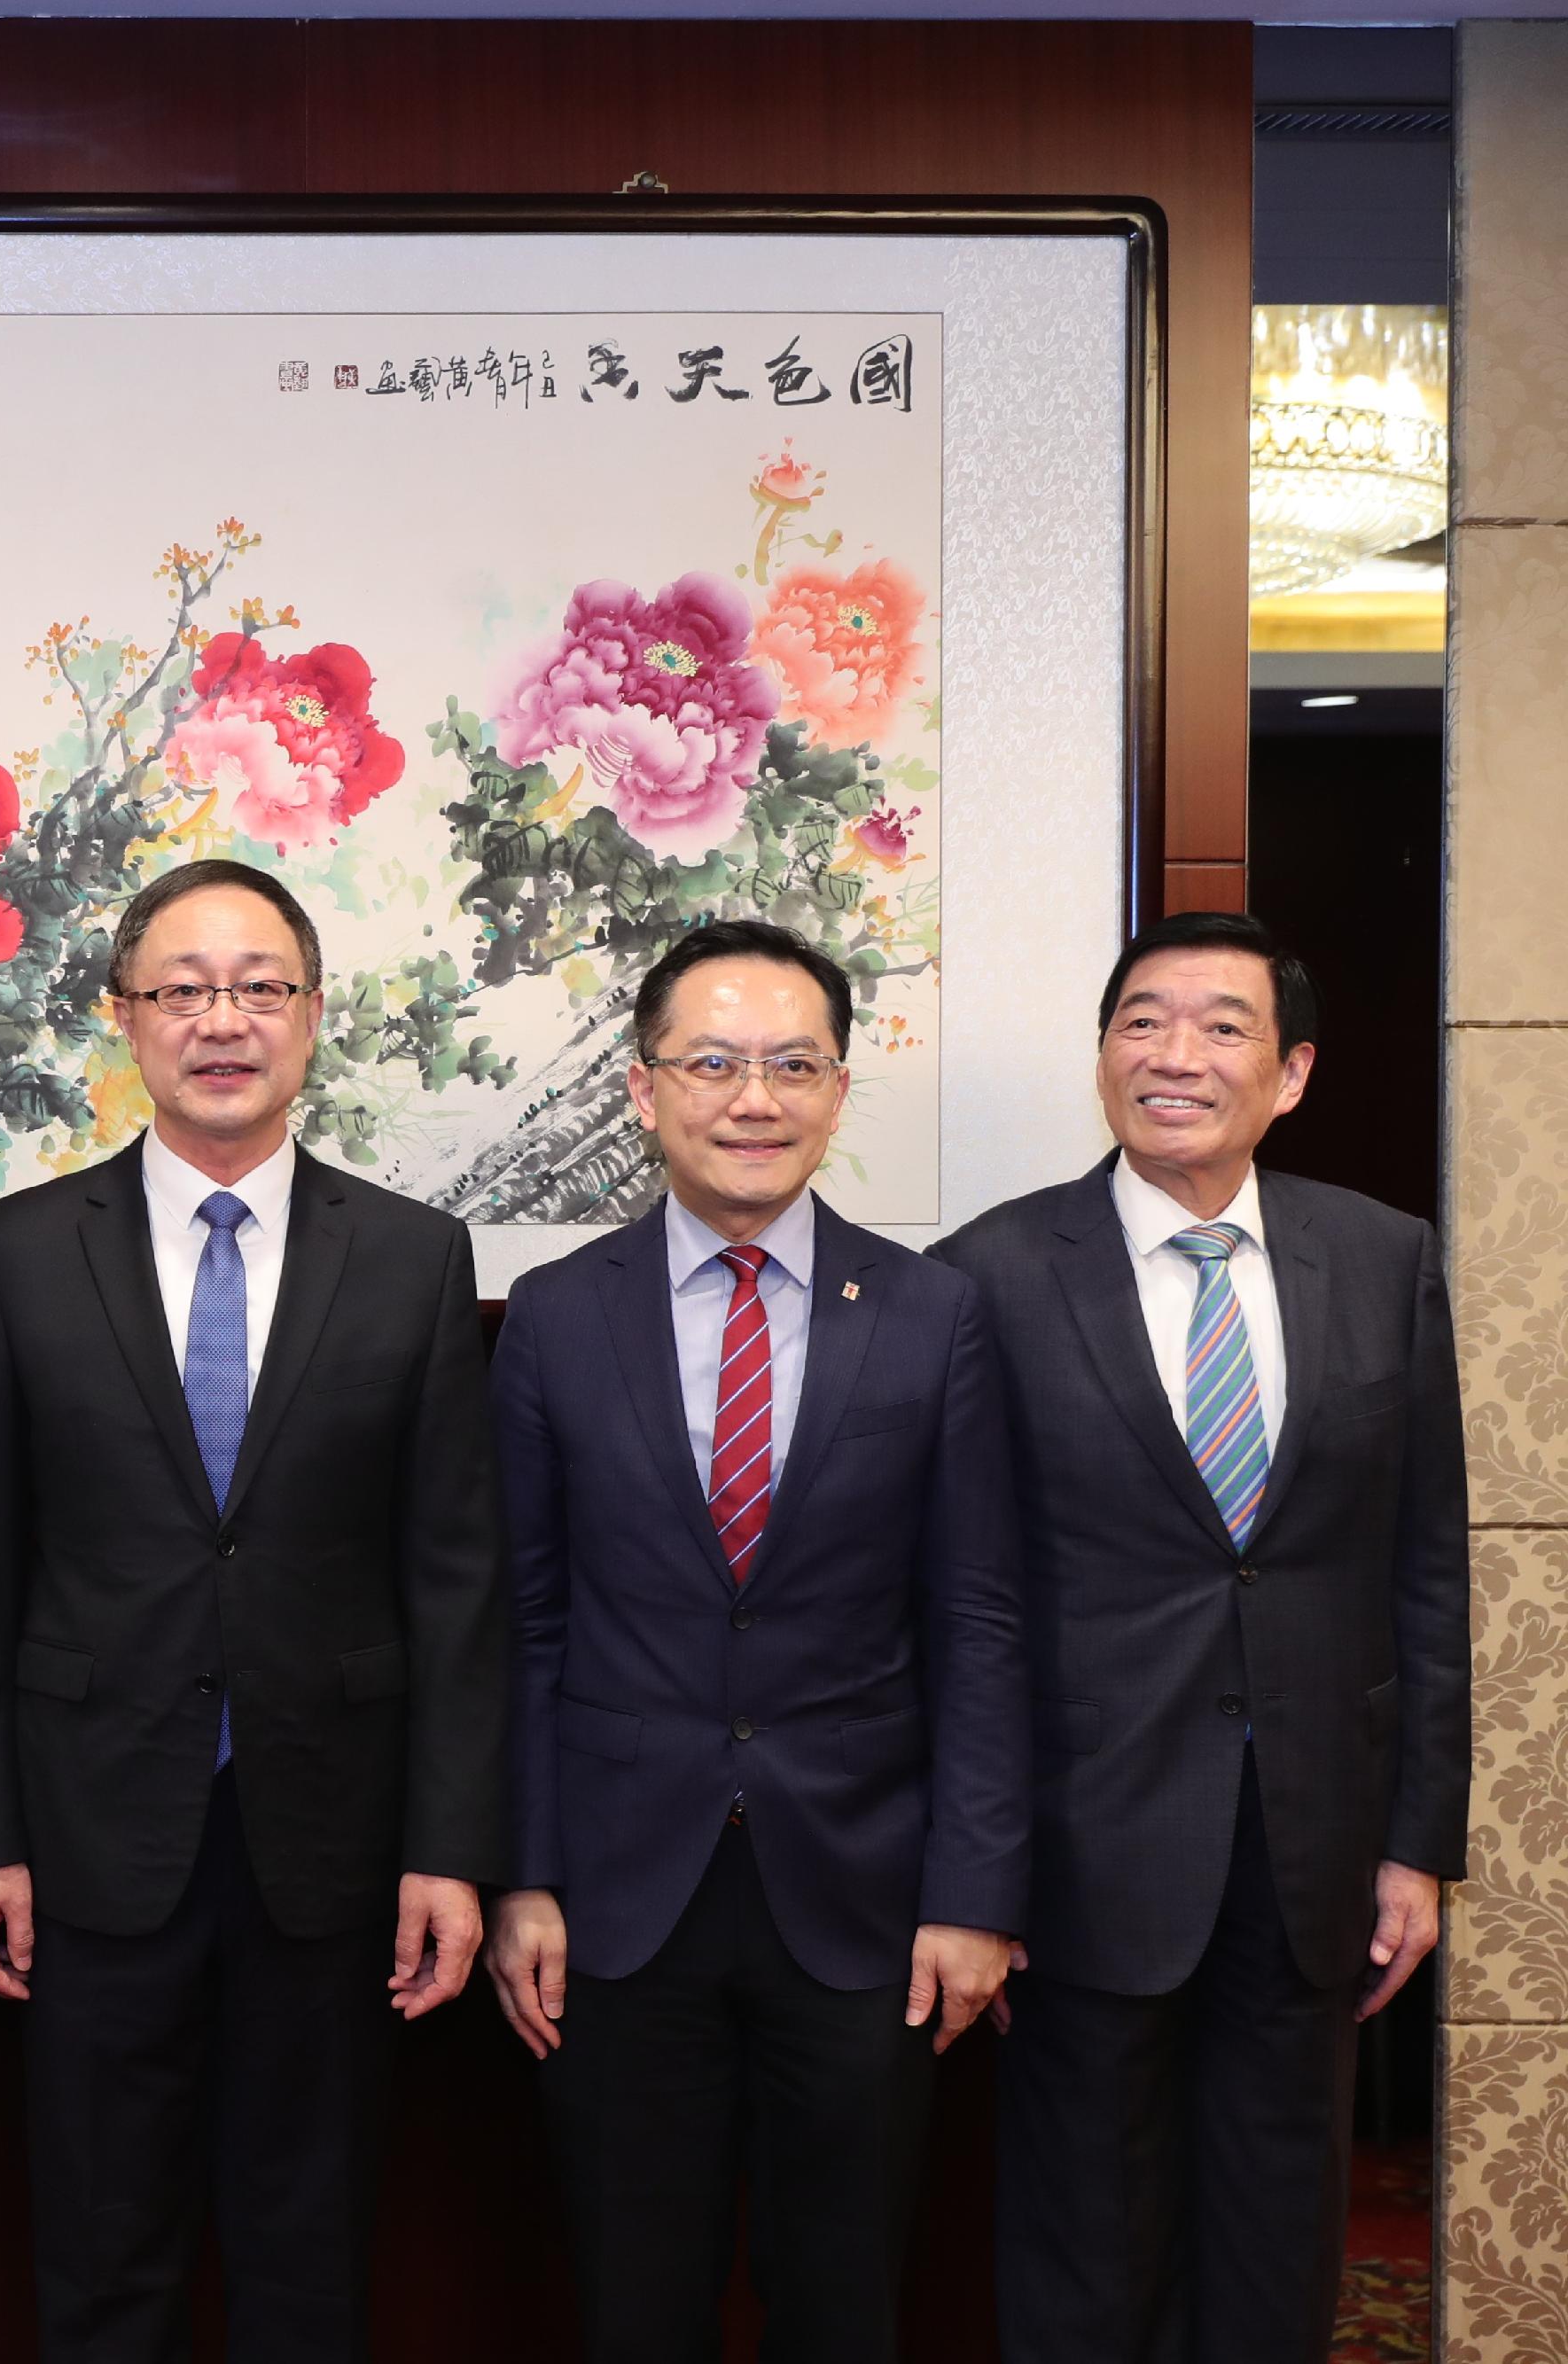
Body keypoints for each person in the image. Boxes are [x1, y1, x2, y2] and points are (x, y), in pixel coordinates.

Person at [0, 859, 508, 2362]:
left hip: (334, 1843)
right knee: (104, 2263)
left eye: (260, 987)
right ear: (125, 1019)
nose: (223, 1020)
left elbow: (454, 1581)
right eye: (182, 989)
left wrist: (450, 1852)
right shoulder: (11, 1253)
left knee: (309, 2261)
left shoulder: (415, 1259)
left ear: (315, 1018)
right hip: (86, 1837)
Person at [928, 909, 1467, 2364]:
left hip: (1315, 1848)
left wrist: (1418, 1838)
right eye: (1141, 1022)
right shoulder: (988, 1272)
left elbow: (1424, 1564)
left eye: (1221, 1028)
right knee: (1086, 2248)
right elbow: (959, 1596)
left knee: (1279, 2239)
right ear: (1103, 1055)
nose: (1175, 1056)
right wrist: (976, 1866)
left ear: (1288, 1074)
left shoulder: (1382, 1255)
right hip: (1085, 1845)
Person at [485, 917, 1026, 2364]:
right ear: (644, 1089)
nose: (754, 1098)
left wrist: (976, 1890)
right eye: (712, 1062)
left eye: (794, 1064)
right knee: (633, 2303)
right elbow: (525, 1621)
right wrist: (522, 1873)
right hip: (612, 1897)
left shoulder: (934, 1317)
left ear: (840, 1092)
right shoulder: (550, 1318)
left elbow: (974, 1619)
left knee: (842, 2304)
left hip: (865, 1897)